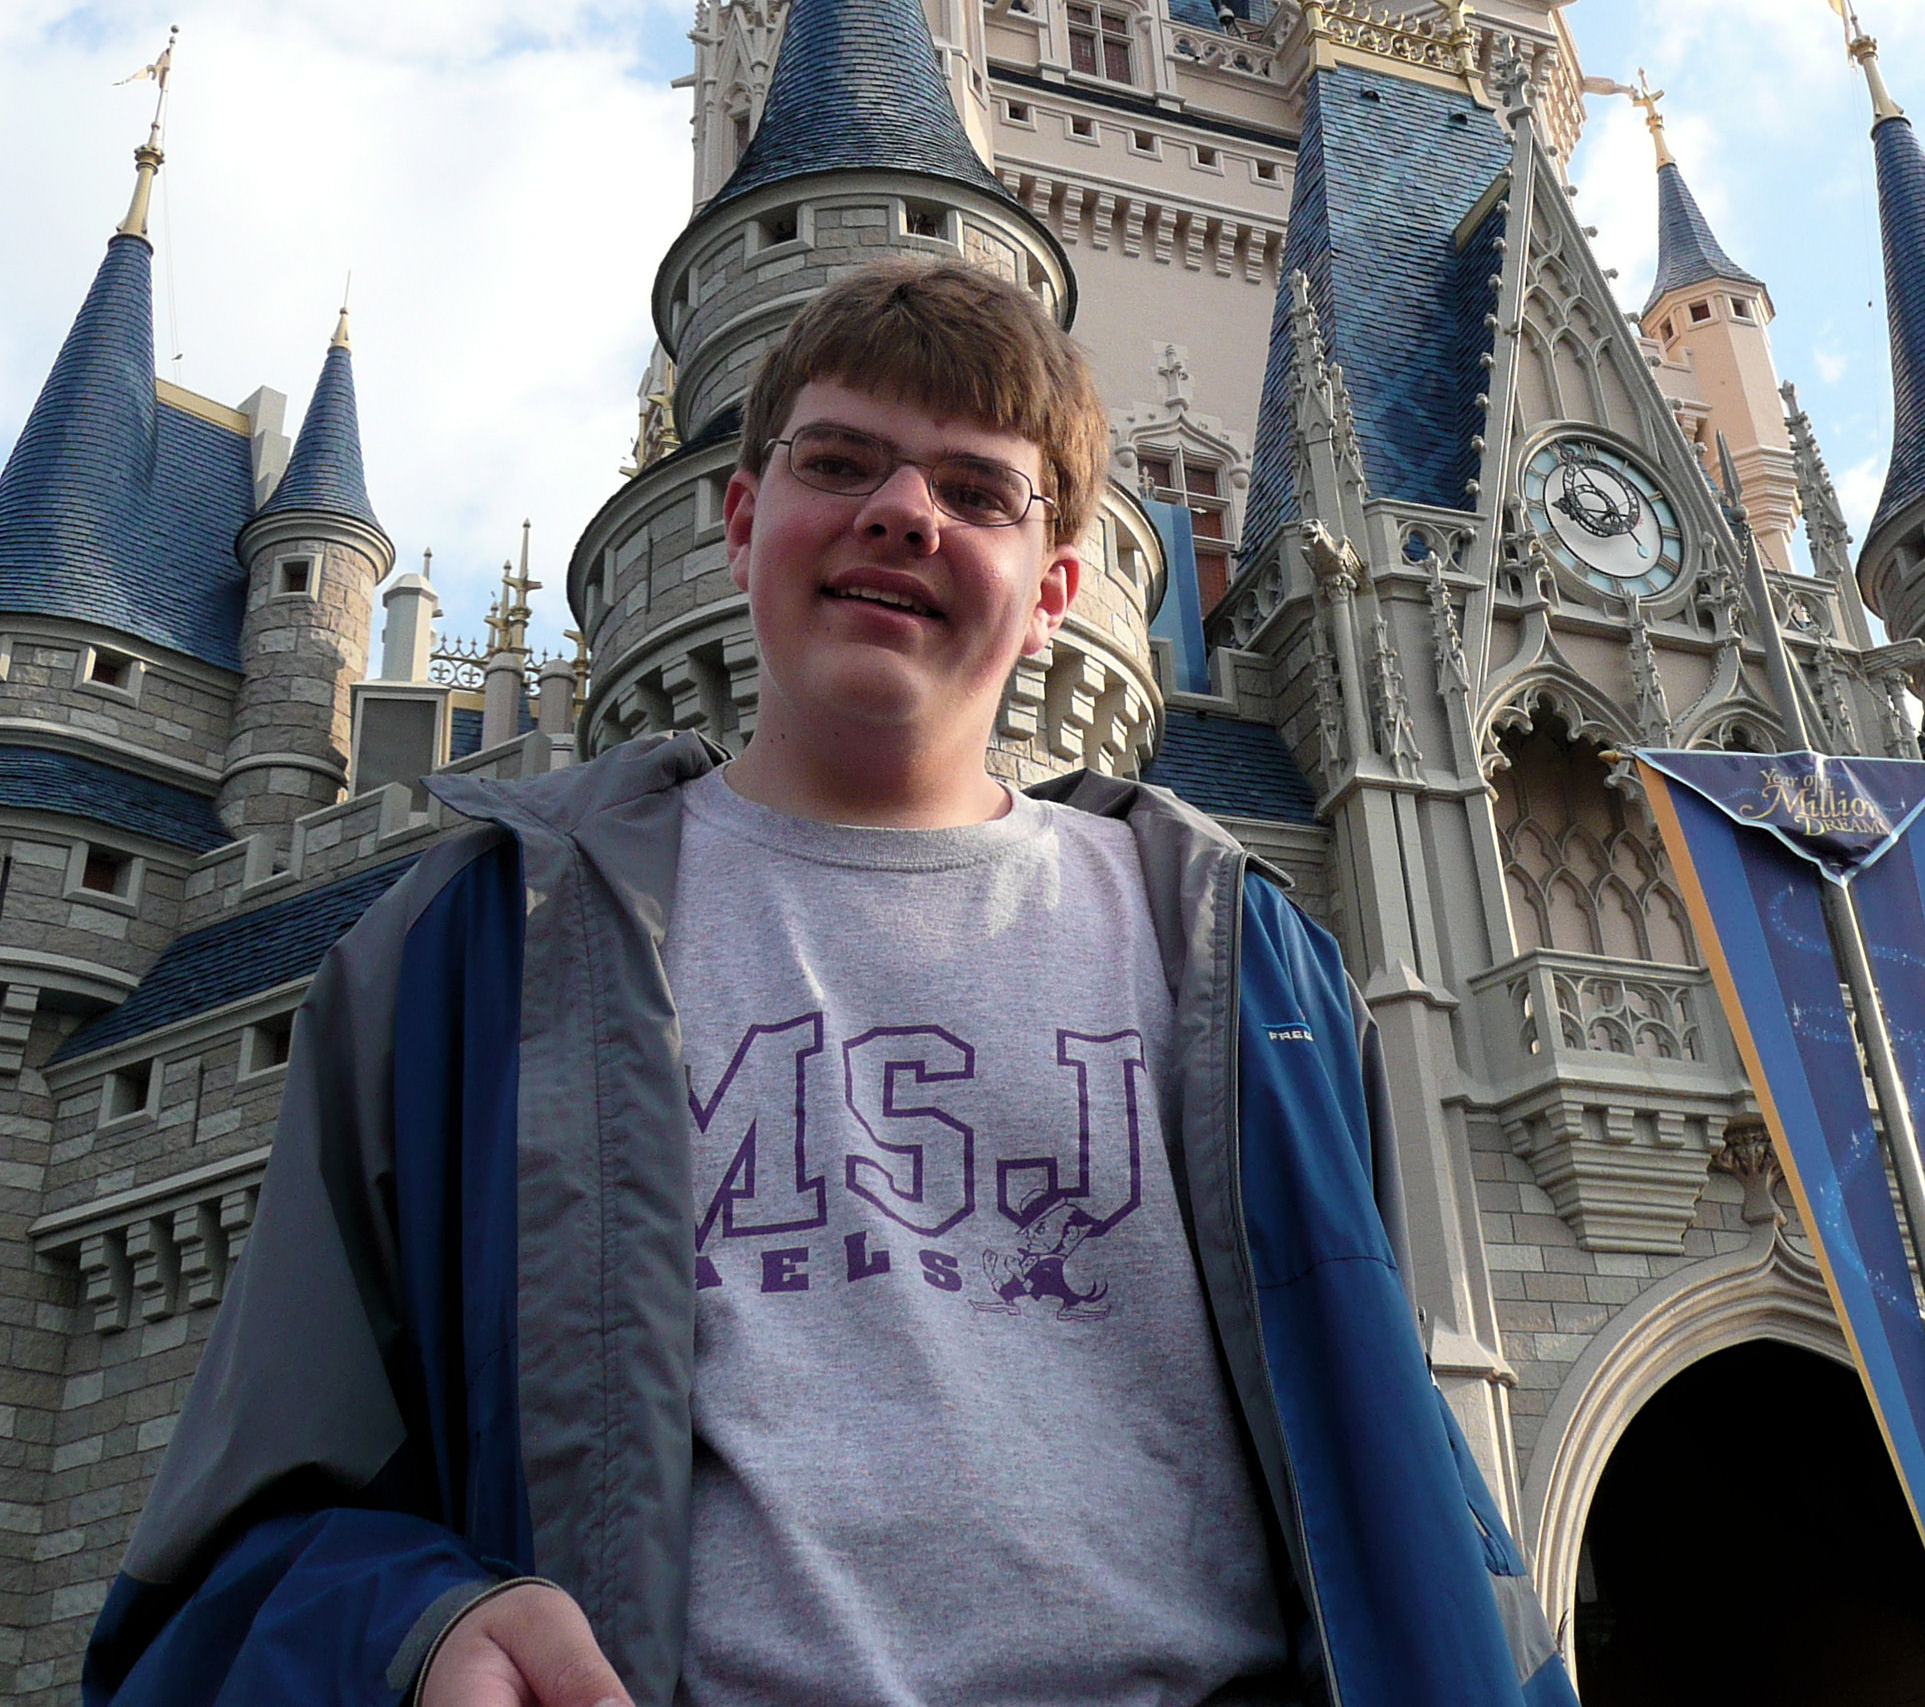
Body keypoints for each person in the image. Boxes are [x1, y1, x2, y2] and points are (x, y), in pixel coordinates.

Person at [85, 258, 1573, 1707]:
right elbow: (234, 1548)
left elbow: (1411, 1504)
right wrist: (417, 1629)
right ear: (733, 523)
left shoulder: (1255, 973)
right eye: (840, 460)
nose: (902, 511)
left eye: (977, 488)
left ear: (1067, 584)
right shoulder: (467, 952)